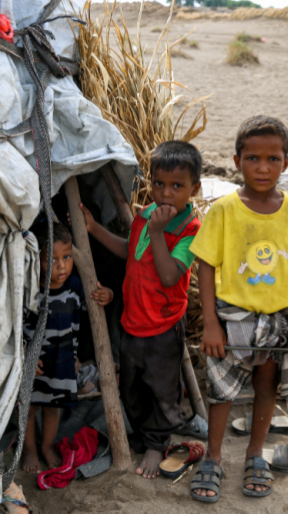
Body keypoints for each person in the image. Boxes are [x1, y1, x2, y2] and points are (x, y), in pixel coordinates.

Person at [189, 116, 288, 502]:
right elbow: (204, 266)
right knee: (221, 391)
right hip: (231, 317)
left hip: (279, 319)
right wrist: (211, 325)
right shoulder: (223, 211)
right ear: (237, 161)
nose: (262, 168)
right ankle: (214, 458)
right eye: (253, 158)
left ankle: (255, 454)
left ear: (287, 162)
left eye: (272, 158)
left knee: (267, 385)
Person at [79, 140, 202, 478]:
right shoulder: (145, 216)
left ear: (195, 188)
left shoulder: (191, 231)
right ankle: (142, 433)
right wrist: (94, 229)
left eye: (177, 186)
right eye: (159, 184)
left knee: (162, 390)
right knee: (132, 387)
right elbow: (130, 251)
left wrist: (160, 232)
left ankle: (156, 443)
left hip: (162, 326)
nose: (165, 193)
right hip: (132, 321)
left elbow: (167, 275)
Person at [22, 222, 113, 473]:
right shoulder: (31, 291)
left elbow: (93, 306)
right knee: (28, 408)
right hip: (34, 364)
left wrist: (109, 295)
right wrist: (24, 356)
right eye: (51, 260)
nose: (61, 265)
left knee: (53, 408)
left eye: (67, 257)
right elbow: (16, 329)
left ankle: (46, 446)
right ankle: (29, 449)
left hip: (62, 361)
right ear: (36, 261)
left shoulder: (75, 286)